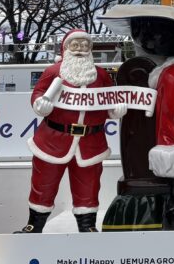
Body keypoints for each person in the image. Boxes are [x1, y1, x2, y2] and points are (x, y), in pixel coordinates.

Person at [21, 30, 121, 233]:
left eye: (85, 46)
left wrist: (115, 108)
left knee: (89, 185)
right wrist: (40, 103)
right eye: (75, 45)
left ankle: (87, 226)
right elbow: (38, 93)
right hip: (53, 139)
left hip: (90, 142)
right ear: (66, 48)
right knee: (43, 183)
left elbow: (110, 97)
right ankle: (35, 224)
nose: (80, 50)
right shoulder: (53, 72)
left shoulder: (100, 75)